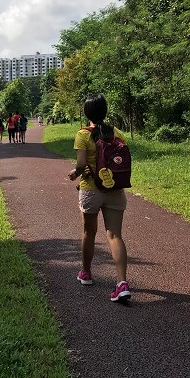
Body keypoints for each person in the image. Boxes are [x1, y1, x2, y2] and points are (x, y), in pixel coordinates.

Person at [68, 94, 131, 302]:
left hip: (91, 190)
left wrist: (74, 174)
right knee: (115, 235)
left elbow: (80, 165)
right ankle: (121, 283)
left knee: (89, 231)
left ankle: (86, 273)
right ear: (105, 111)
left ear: (87, 113)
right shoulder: (117, 133)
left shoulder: (83, 135)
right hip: (114, 190)